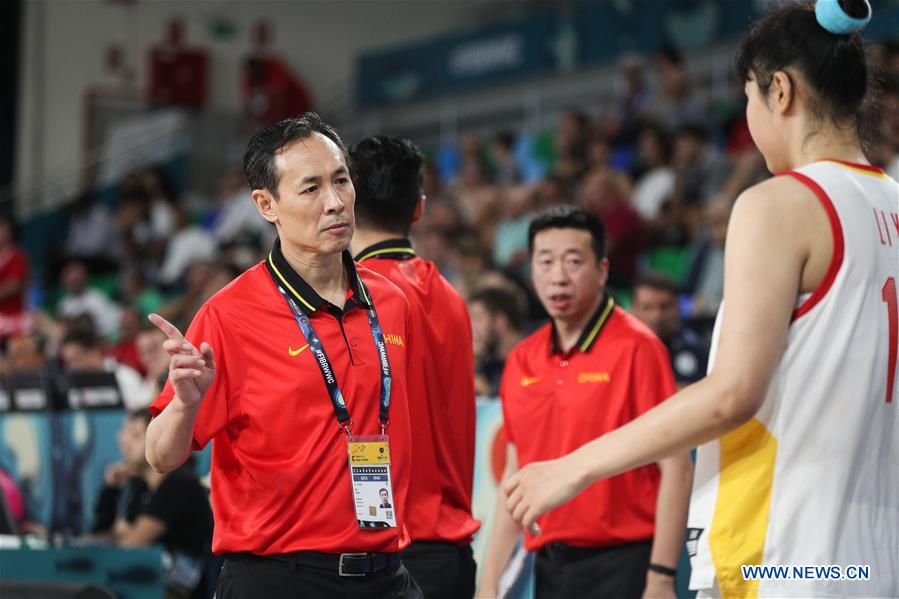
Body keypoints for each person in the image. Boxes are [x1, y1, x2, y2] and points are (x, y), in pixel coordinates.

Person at [502, 2, 898, 598]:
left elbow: (732, 394)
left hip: (785, 558)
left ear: (780, 91)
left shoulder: (779, 204)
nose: (750, 116)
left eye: (749, 97)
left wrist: (572, 467)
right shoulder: (891, 201)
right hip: (873, 562)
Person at [145, 113, 421, 598]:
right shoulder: (228, 316)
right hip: (277, 578)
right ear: (266, 204)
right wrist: (185, 405)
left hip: (384, 573)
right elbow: (160, 456)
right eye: (311, 188)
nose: (334, 202)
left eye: (341, 181)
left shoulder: (393, 303)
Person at [479, 206, 693, 599]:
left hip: (623, 564)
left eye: (574, 261)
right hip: (549, 565)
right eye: (546, 262)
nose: (559, 276)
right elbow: (515, 475)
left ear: (603, 270)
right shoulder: (522, 358)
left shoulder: (639, 348)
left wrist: (662, 576)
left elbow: (677, 468)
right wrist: (489, 583)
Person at [349, 135, 479, 599]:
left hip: (379, 552)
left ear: (346, 204)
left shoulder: (349, 299)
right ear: (420, 208)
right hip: (448, 554)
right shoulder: (453, 299)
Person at [93, 409, 213, 598]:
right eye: (124, 434)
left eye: (135, 435)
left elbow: (131, 543)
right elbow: (105, 535)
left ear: (159, 438)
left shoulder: (180, 484)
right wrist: (111, 489)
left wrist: (118, 537)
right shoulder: (140, 487)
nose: (124, 442)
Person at [631, 272, 709, 388]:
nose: (656, 316)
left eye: (664, 307)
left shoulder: (696, 349)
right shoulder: (623, 350)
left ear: (678, 307)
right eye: (647, 308)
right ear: (633, 309)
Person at [468, 285, 527, 397]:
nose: (471, 326)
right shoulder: (490, 364)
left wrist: (489, 393)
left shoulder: (535, 357)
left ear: (501, 321)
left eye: (477, 318)